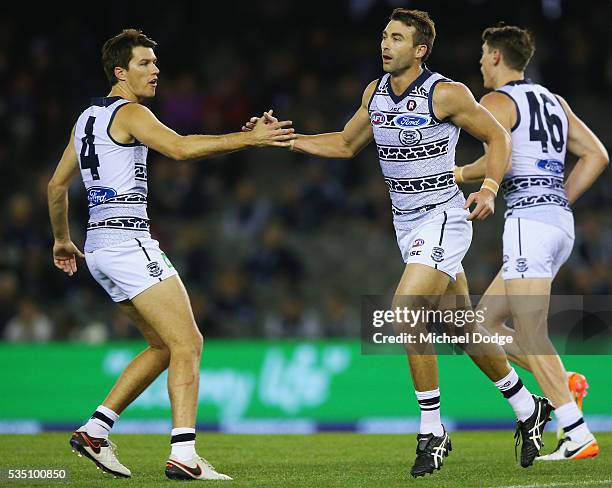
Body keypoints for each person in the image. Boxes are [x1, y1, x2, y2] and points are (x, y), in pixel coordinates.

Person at [244, 9, 552, 477]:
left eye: (397, 38)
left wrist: (488, 189)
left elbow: (498, 137)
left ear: (420, 49)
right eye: (384, 36)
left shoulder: (446, 93)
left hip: (446, 216)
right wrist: (285, 141)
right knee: (461, 329)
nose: (385, 44)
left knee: (406, 308)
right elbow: (346, 144)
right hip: (407, 225)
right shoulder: (376, 93)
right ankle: (529, 407)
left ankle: (432, 429)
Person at [47, 28, 296, 481]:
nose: (155, 70)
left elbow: (56, 186)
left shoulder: (86, 119)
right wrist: (250, 140)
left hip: (100, 248)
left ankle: (95, 432)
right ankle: (184, 453)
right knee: (190, 343)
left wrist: (62, 239)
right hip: (127, 240)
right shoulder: (131, 112)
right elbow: (180, 149)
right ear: (120, 72)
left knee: (163, 347)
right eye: (144, 63)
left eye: (155, 63)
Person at [456, 24, 608, 461]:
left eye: (485, 54)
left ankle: (576, 431)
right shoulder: (554, 101)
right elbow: (597, 154)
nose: (481, 62)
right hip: (559, 223)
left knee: (529, 331)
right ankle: (566, 381)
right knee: (479, 327)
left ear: (499, 57)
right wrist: (558, 198)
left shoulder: (496, 101)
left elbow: (497, 154)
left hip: (528, 221)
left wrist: (461, 175)